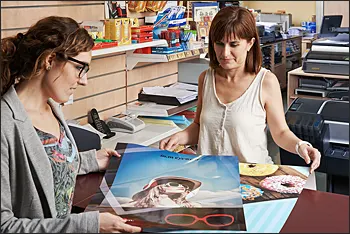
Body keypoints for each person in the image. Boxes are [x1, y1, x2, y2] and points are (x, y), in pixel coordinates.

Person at [1, 16, 141, 233]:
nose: (84, 80)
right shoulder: (5, 124)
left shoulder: (53, 107)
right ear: (49, 59)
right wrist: (89, 225)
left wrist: (89, 160)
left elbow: (46, 163)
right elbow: (5, 226)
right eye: (80, 68)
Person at [160, 6, 321, 174]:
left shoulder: (265, 82)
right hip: (210, 178)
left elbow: (280, 132)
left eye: (234, 44)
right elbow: (200, 126)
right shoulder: (205, 79)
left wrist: (300, 145)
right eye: (219, 44)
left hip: (252, 179)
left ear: (250, 43)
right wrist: (179, 138)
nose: (225, 53)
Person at [124, 176, 202, 208]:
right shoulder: (130, 205)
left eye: (186, 187)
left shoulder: (189, 205)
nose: (182, 187)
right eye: (175, 183)